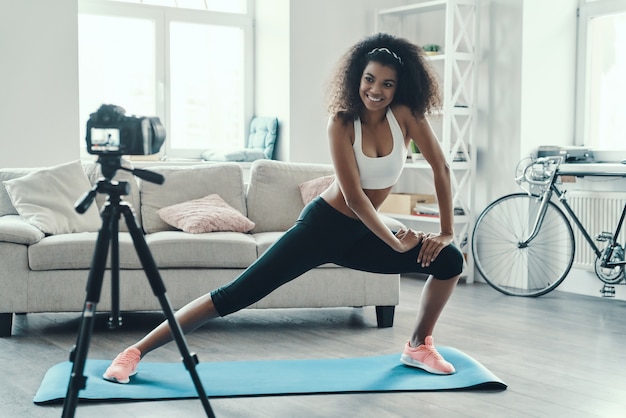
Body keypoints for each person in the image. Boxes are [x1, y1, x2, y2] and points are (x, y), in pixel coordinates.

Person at [103, 32, 464, 384]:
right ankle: (134, 352)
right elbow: (354, 198)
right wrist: (396, 241)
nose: (376, 90)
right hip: (322, 228)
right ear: (357, 77)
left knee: (449, 260)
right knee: (234, 296)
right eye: (369, 79)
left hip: (362, 232)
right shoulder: (341, 121)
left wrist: (446, 231)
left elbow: (441, 168)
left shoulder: (404, 116)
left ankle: (418, 346)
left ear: (399, 87)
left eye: (387, 84)